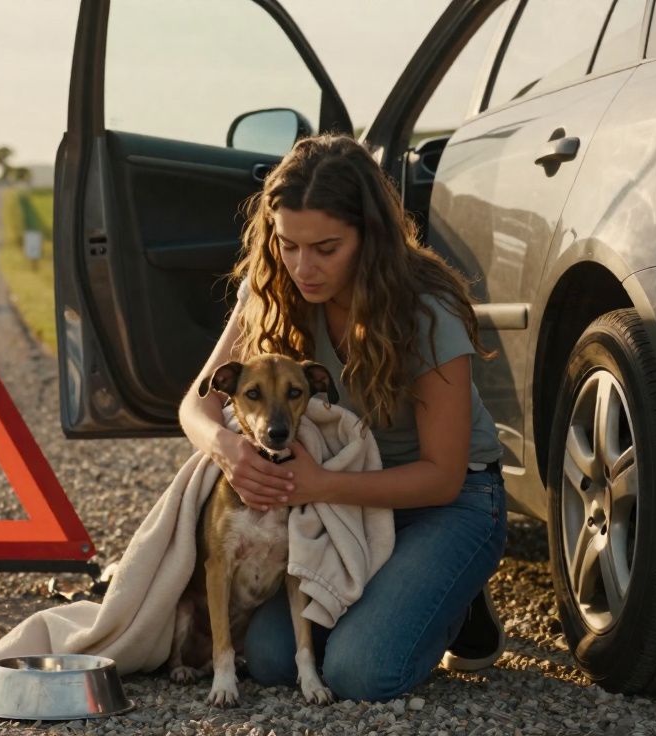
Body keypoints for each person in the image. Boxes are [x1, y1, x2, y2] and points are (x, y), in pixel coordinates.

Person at [177, 133, 507, 703]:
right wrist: (229, 452)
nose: (304, 267)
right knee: (275, 661)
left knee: (362, 672)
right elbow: (196, 406)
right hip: (335, 511)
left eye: (326, 248)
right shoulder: (275, 290)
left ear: (369, 238)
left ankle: (457, 592)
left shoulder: (427, 308)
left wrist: (320, 483)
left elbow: (444, 475)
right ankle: (409, 590)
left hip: (443, 504)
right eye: (288, 244)